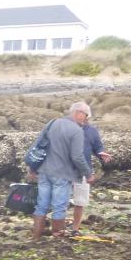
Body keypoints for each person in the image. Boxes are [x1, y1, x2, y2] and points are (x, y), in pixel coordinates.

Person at [26, 102, 94, 239]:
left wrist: (32, 167)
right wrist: (88, 173)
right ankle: (57, 239)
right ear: (79, 113)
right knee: (59, 207)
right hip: (62, 174)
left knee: (41, 205)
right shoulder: (77, 131)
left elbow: (38, 144)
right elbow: (77, 157)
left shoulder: (53, 123)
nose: (86, 120)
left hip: (44, 171)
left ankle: (36, 237)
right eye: (86, 116)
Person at [71, 108, 112, 234]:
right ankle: (58, 228)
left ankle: (75, 229)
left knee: (80, 201)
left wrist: (101, 154)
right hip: (65, 169)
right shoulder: (67, 129)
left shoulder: (92, 131)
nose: (81, 117)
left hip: (84, 170)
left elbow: (97, 147)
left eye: (83, 115)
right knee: (60, 199)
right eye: (78, 114)